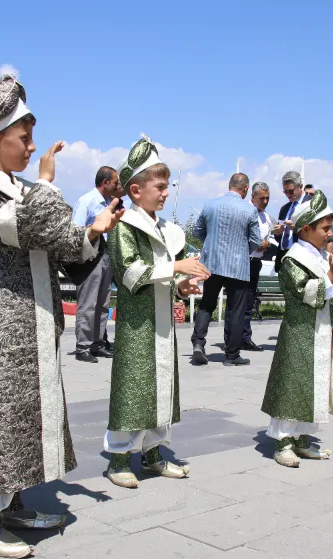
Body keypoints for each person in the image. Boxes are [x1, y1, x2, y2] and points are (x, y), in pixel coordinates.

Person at [0, 75, 120, 558]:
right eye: (23, 137)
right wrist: (46, 186)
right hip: (1, 322)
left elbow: (63, 242)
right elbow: (27, 226)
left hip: (34, 318)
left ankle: (14, 502)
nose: (31, 147)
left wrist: (93, 230)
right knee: (0, 414)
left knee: (26, 413)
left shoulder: (20, 187)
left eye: (30, 137)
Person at [103, 137, 208, 488]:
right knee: (133, 387)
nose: (165, 193)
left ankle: (152, 452)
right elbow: (130, 274)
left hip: (162, 324)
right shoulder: (122, 226)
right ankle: (118, 458)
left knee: (161, 386)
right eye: (159, 187)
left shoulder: (163, 228)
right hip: (137, 325)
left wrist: (182, 285)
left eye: (166, 187)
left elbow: (162, 276)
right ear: (135, 190)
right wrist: (177, 265)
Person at [261, 191, 333, 467]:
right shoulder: (292, 258)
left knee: (313, 384)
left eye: (331, 228)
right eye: (325, 229)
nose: (330, 234)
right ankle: (283, 443)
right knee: (292, 384)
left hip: (321, 330)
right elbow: (303, 293)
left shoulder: (320, 255)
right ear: (306, 229)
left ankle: (303, 438)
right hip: (299, 331)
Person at [190, 173, 262, 366]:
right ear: (246, 189)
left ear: (229, 185)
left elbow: (196, 231)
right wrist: (242, 248)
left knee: (207, 303)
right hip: (237, 265)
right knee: (235, 309)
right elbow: (256, 239)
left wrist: (211, 242)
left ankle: (198, 342)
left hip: (211, 263)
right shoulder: (249, 210)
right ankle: (231, 355)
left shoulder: (210, 205)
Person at [72, 166, 125, 362]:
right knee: (88, 303)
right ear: (105, 183)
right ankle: (83, 346)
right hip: (91, 256)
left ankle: (97, 343)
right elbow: (76, 230)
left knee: (103, 302)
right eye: (115, 182)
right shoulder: (87, 201)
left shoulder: (110, 203)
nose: (117, 186)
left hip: (107, 255)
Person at [241, 181, 275, 349]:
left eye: (268, 198)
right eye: (262, 198)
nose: (265, 201)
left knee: (249, 301)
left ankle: (245, 338)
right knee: (237, 301)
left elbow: (270, 233)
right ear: (253, 196)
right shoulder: (244, 211)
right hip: (242, 260)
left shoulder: (266, 217)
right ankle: (232, 339)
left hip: (256, 262)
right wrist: (254, 244)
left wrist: (267, 243)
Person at [273, 170, 307, 272]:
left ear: (300, 186)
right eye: (285, 192)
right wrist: (277, 233)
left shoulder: (310, 205)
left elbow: (315, 235)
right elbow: (279, 239)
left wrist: (296, 228)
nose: (288, 195)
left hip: (301, 259)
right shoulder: (284, 208)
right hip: (283, 258)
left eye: (291, 191)